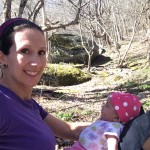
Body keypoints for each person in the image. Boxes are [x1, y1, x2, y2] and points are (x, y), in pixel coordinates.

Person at [0, 18, 91, 150]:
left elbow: (71, 130)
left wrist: (112, 126)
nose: (36, 63)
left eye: (41, 52)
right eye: (25, 51)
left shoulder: (28, 104)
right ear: (2, 58)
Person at [64, 92, 142, 150]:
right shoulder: (104, 122)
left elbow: (112, 142)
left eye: (107, 105)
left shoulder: (114, 126)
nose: (102, 106)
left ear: (116, 117)